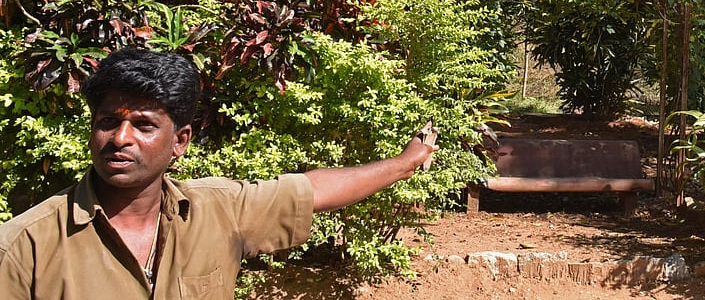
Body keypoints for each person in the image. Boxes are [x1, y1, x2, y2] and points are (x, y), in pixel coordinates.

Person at [0, 48, 437, 299]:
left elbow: (312, 190)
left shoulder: (218, 210)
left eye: (144, 125)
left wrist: (404, 163)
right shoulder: (26, 247)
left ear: (180, 141)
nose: (120, 138)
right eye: (108, 122)